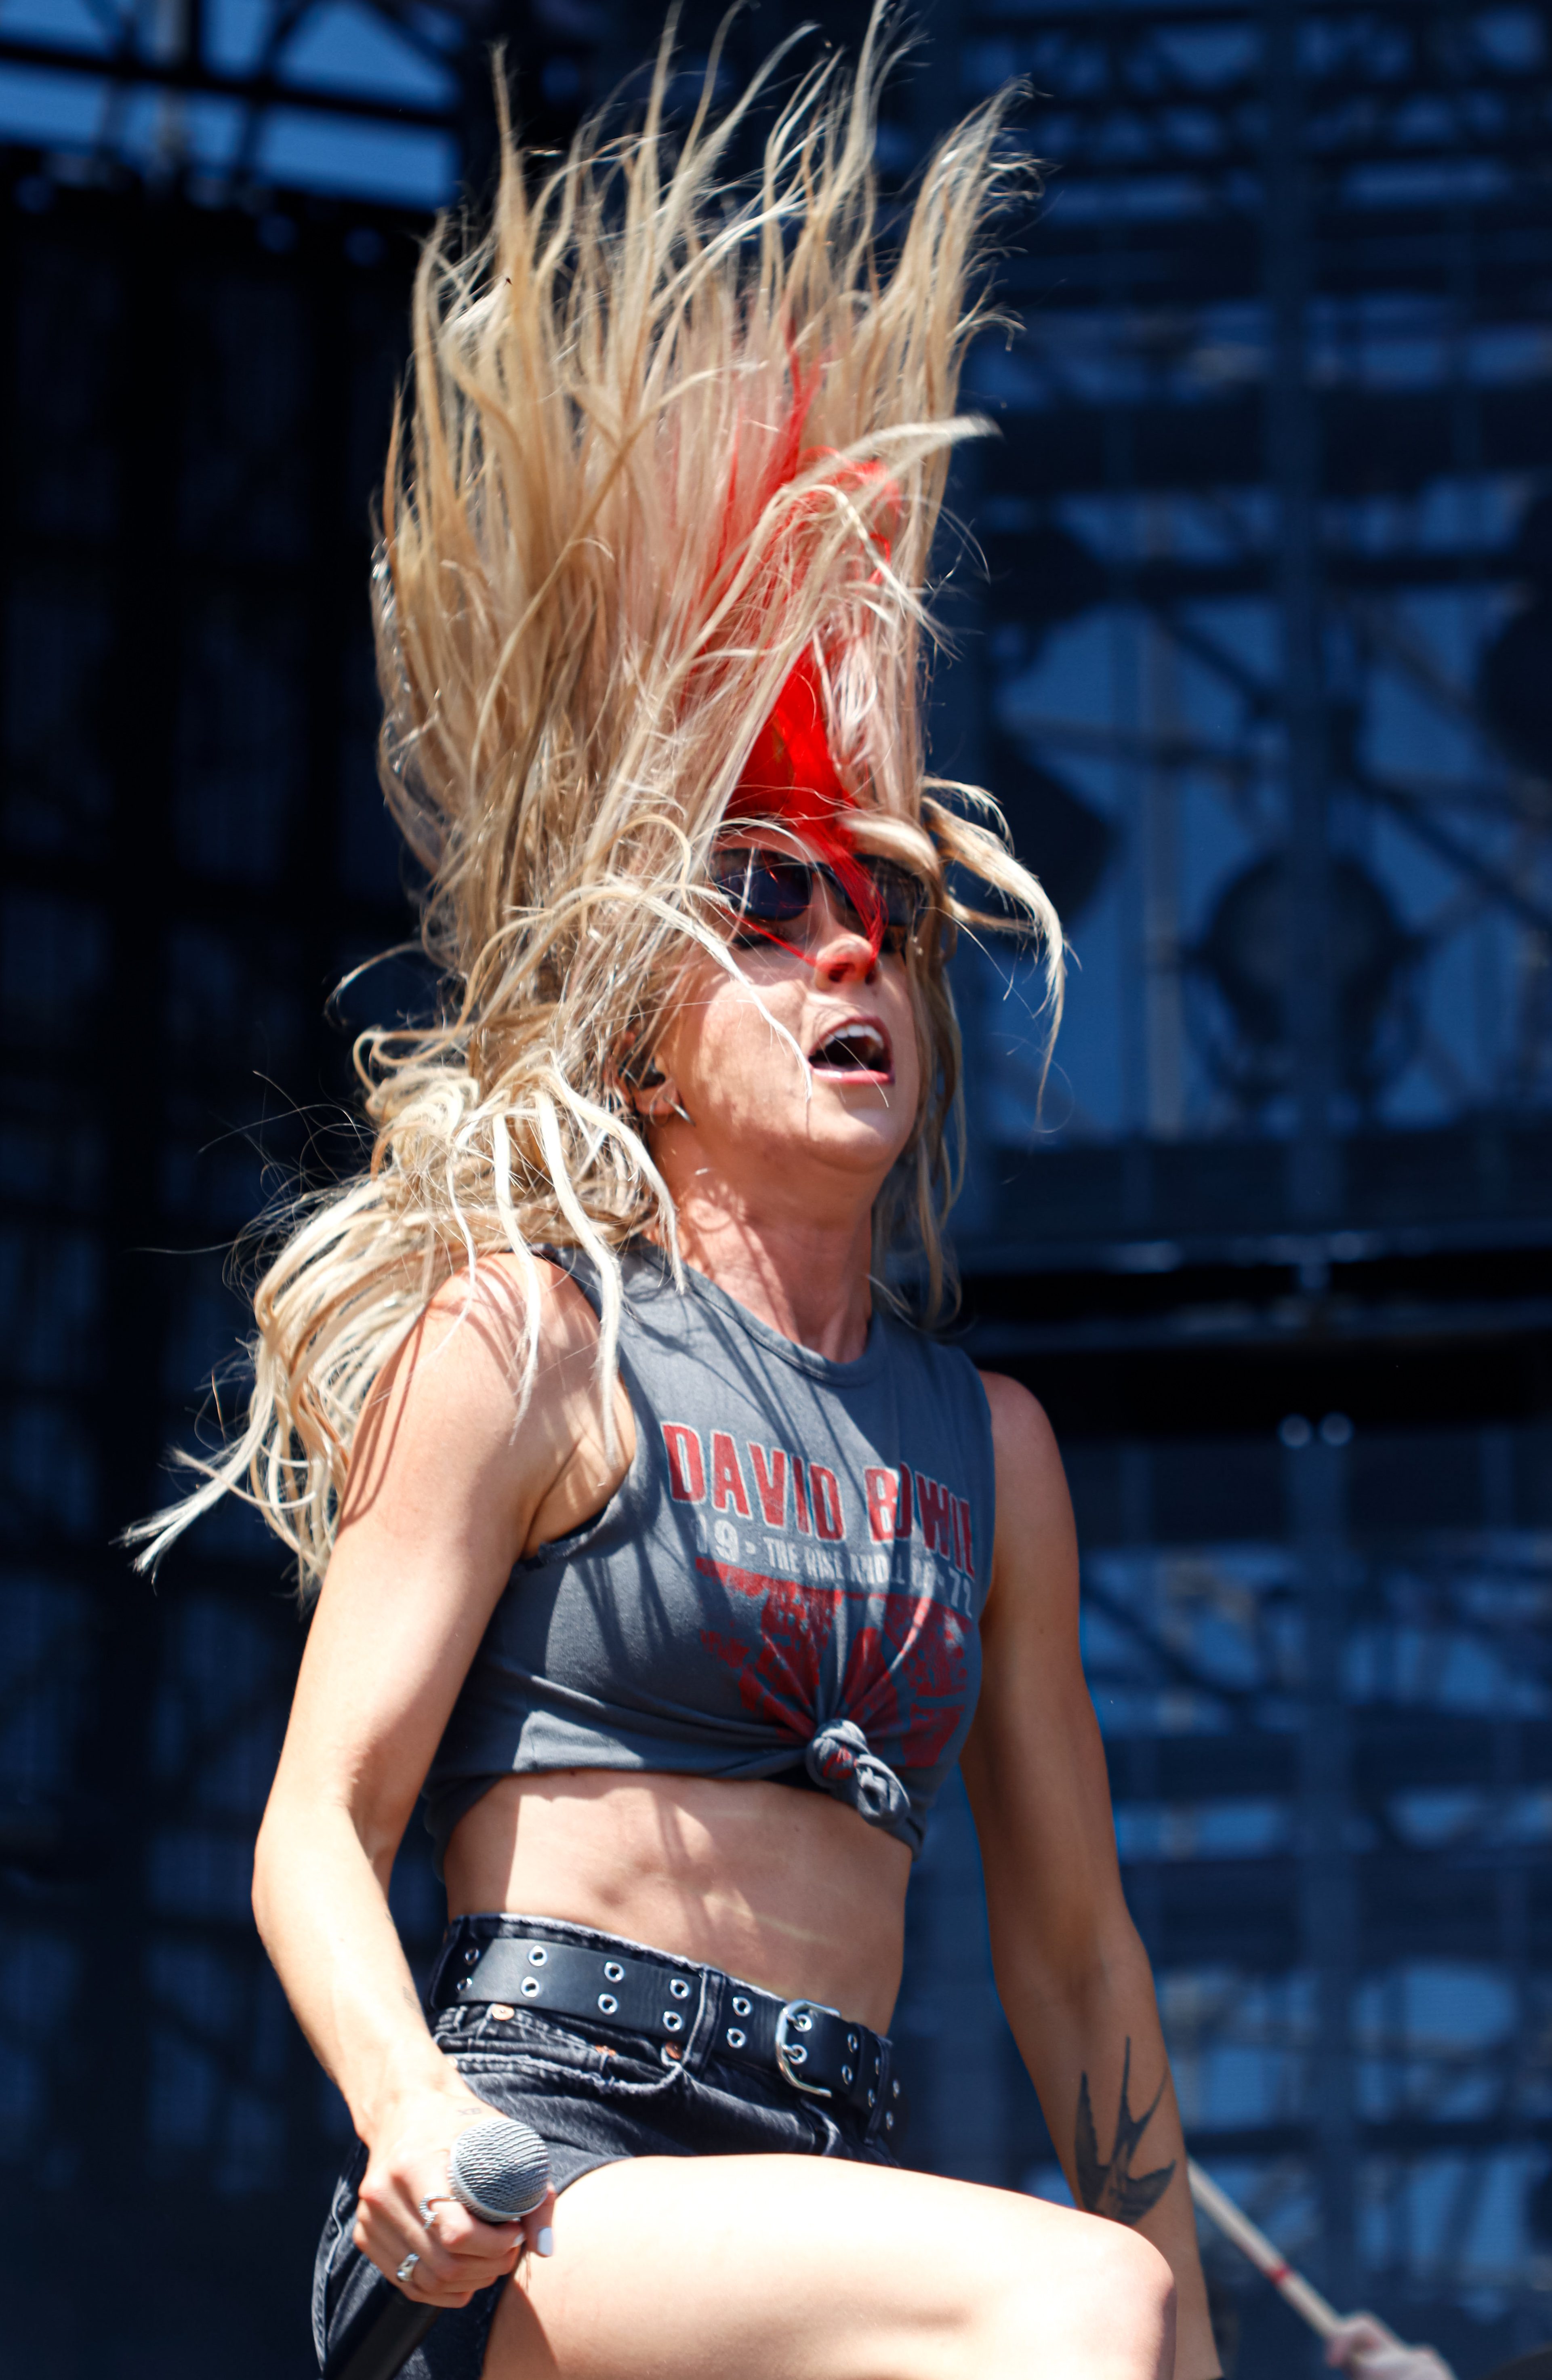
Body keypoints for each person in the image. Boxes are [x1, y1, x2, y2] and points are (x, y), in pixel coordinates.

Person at [135, 16, 1221, 2378]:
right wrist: (410, 2115)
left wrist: (1196, 2340)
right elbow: (317, 1817)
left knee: (1101, 2307)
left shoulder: (989, 1455)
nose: (849, 949)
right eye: (766, 896)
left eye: (884, 910)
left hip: (815, 2206)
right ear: (639, 1018)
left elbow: (1075, 1968)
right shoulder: (529, 1342)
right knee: (1070, 2295)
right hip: (541, 2181)